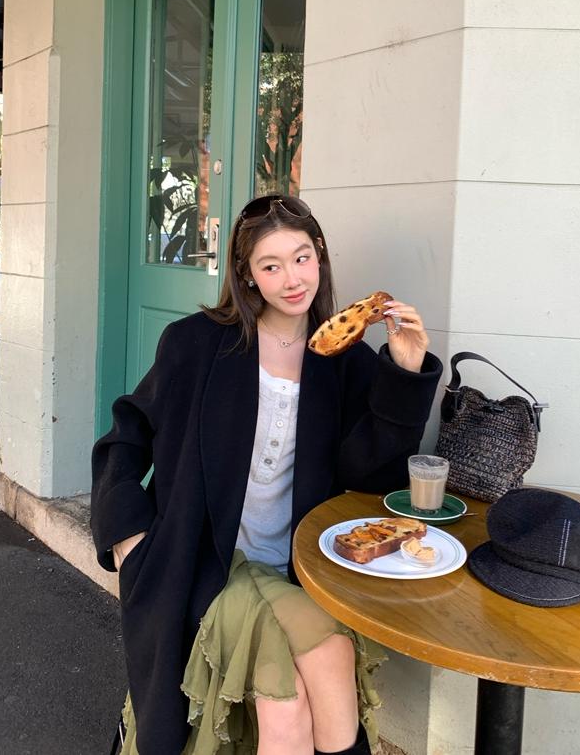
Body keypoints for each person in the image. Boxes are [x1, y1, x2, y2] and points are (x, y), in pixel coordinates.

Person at [91, 194, 443, 755]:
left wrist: (405, 369)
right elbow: (126, 434)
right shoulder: (195, 344)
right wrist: (127, 535)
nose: (292, 279)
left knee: (327, 665)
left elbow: (369, 474)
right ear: (248, 275)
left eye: (301, 258)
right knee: (288, 704)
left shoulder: (345, 360)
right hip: (202, 563)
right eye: (271, 265)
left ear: (320, 255)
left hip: (296, 566)